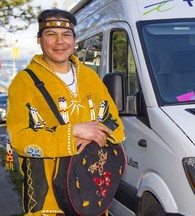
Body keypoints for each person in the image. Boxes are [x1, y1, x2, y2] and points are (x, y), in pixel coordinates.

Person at [6, 9, 125, 216]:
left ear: (74, 39)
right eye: (51, 35)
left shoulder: (91, 77)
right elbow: (19, 139)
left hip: (93, 193)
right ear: (39, 40)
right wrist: (73, 132)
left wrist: (94, 134)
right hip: (49, 201)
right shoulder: (23, 83)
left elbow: (116, 124)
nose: (59, 42)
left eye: (66, 35)